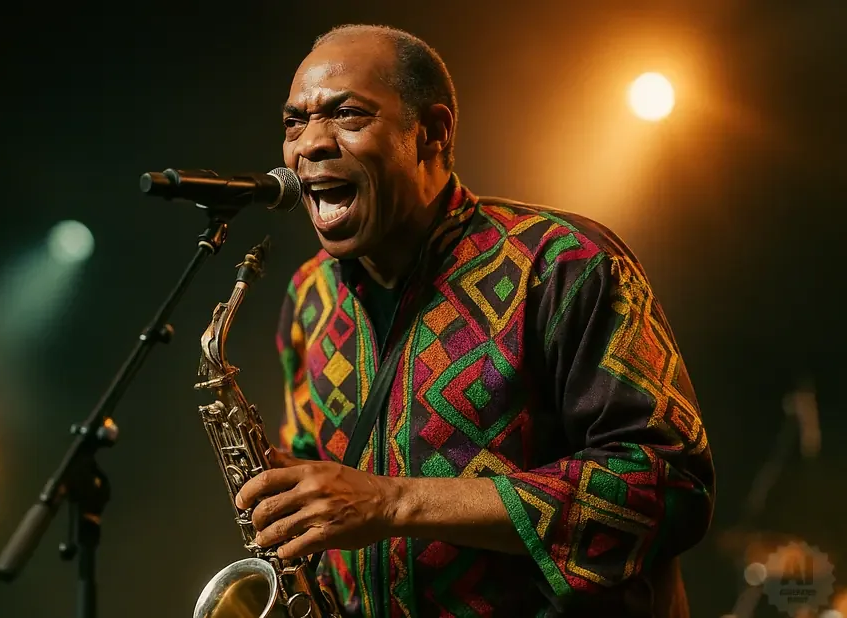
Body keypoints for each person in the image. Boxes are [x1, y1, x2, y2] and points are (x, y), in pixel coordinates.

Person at [234, 24, 715, 618]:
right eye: (294, 122)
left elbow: (670, 486)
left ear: (432, 133)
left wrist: (396, 502)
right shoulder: (310, 296)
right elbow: (318, 506)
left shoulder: (564, 263)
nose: (309, 143)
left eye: (347, 115)